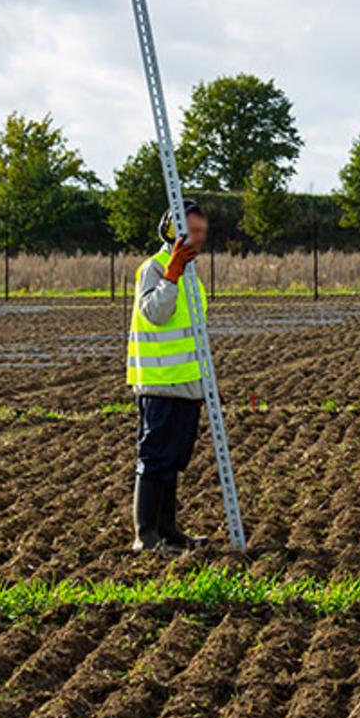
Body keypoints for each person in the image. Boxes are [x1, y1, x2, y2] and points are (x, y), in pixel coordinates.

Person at [127, 199, 214, 552]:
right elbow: (156, 314)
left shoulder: (191, 273)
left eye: (202, 233)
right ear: (171, 230)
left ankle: (169, 530)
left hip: (188, 384)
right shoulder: (155, 268)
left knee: (175, 458)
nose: (197, 239)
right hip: (161, 381)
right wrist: (172, 274)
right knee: (156, 457)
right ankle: (146, 536)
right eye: (191, 232)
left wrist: (204, 383)